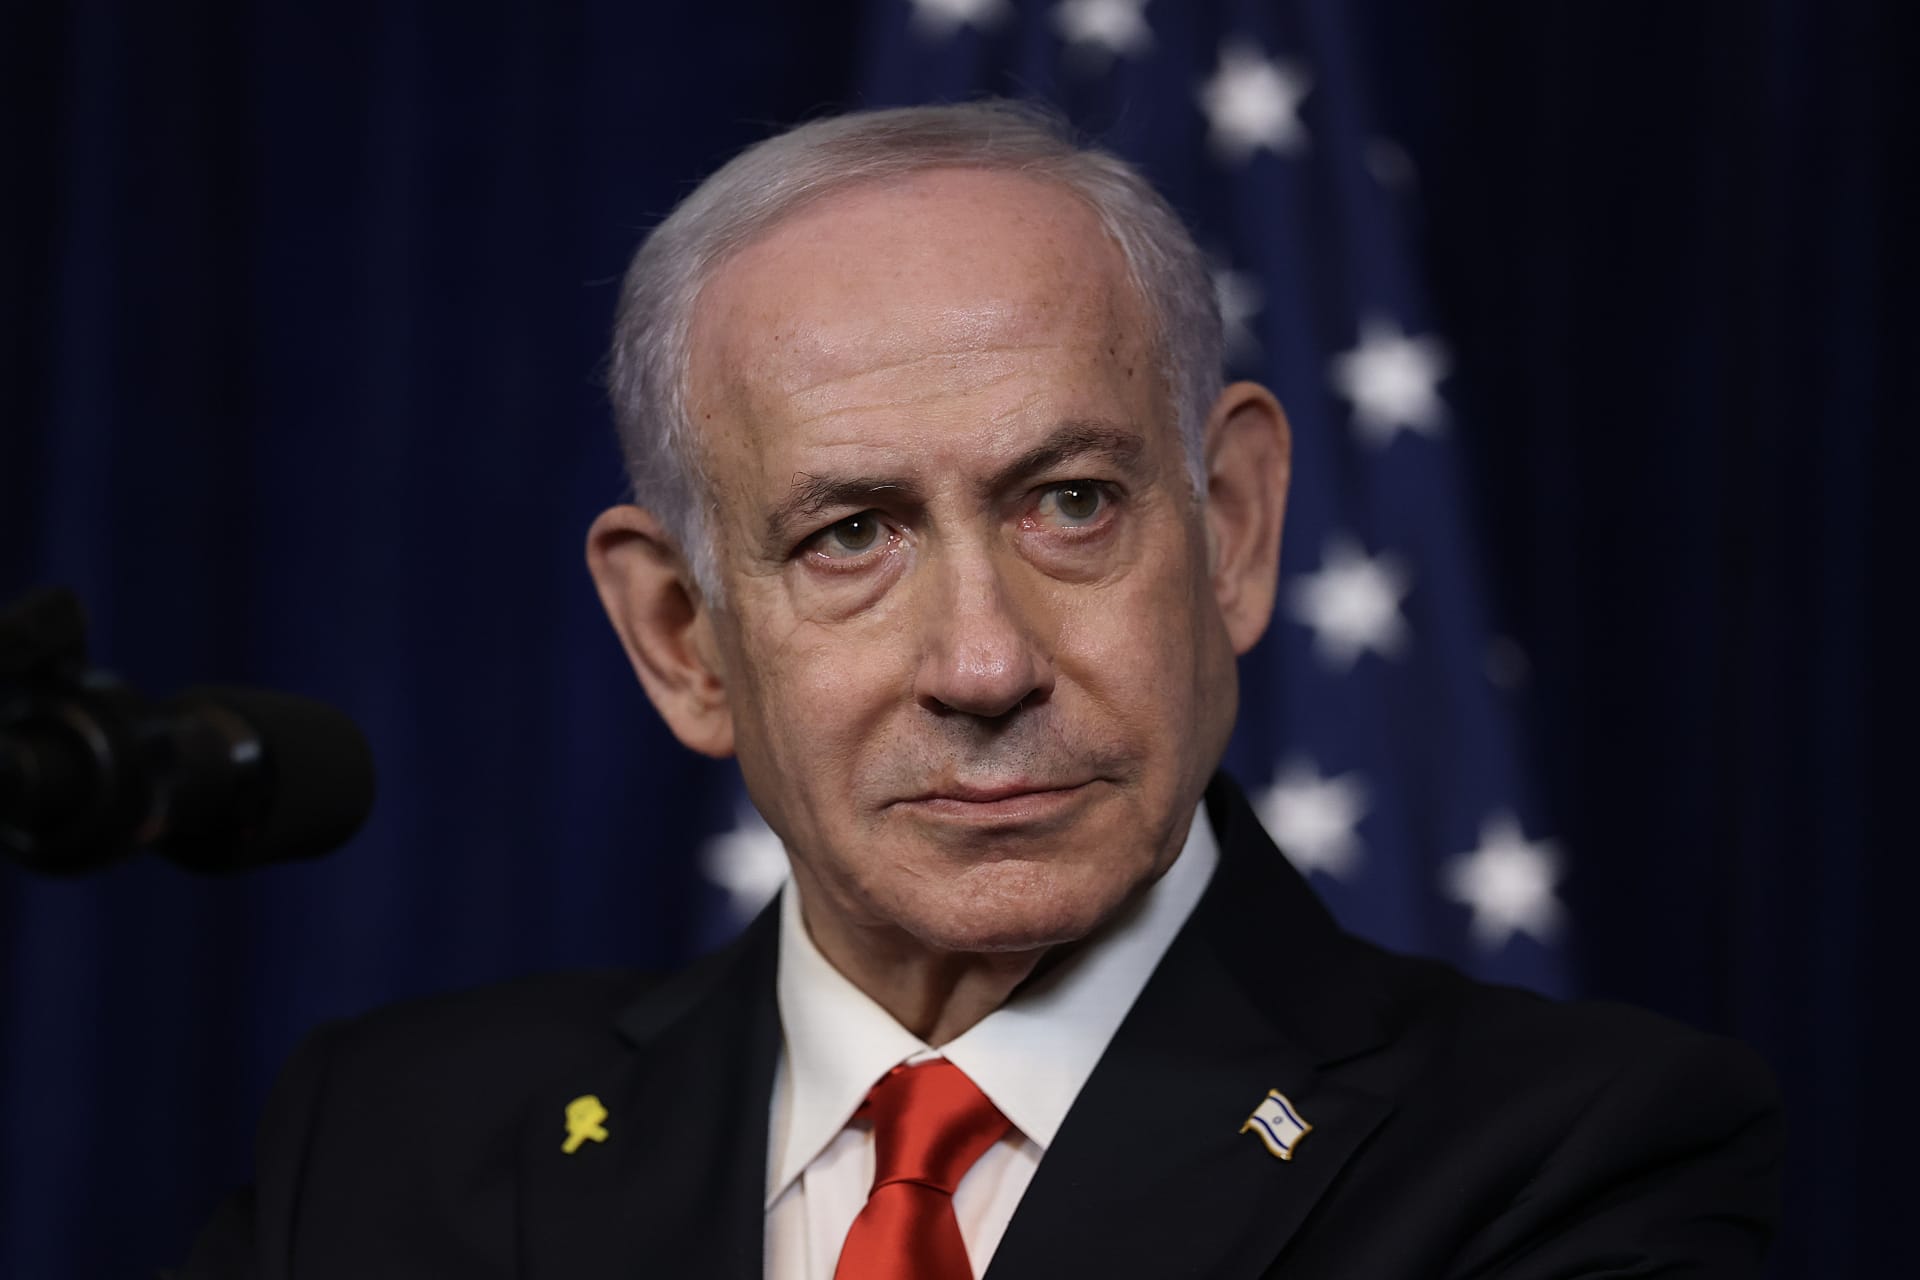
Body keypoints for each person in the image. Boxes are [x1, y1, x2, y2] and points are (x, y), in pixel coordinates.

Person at [179, 101, 1781, 1279]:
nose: (984, 664)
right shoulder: (387, 1151)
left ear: (1231, 528)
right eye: (850, 534)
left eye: (1070, 503)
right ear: (683, 638)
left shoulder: (1569, 1160)